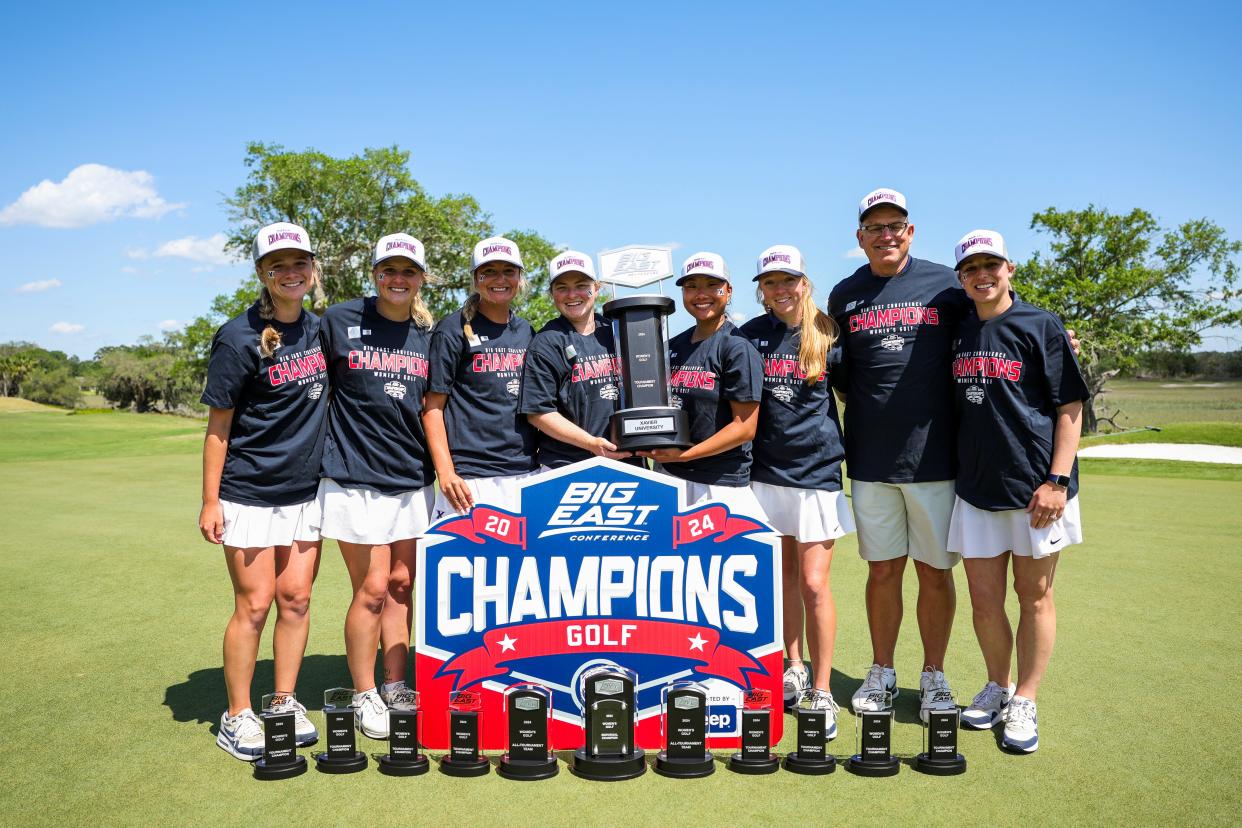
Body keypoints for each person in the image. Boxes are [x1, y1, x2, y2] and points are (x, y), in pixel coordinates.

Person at [827, 189, 966, 722]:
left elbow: (991, 328)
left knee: (934, 572)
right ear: (859, 238)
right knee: (882, 571)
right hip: (869, 459)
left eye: (895, 226)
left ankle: (934, 675)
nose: (886, 235)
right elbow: (837, 371)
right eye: (874, 227)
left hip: (935, 458)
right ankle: (882, 671)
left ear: (911, 232)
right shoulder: (846, 293)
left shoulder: (946, 285)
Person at [946, 230, 1087, 753]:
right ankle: (998, 685)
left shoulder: (1040, 324)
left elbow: (1070, 408)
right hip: (978, 488)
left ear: (1009, 268)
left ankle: (1026, 698)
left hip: (1037, 490)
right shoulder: (957, 331)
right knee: (985, 601)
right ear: (961, 278)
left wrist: (1057, 481)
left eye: (991, 266)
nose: (982, 276)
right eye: (971, 269)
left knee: (1034, 597)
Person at [199, 221, 328, 760]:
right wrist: (210, 499)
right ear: (262, 273)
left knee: (295, 600)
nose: (291, 272)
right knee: (254, 605)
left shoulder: (321, 329)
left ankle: (282, 701)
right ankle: (237, 715)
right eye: (279, 265)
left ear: (312, 269)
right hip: (249, 491)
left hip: (307, 493)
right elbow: (219, 423)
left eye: (300, 263)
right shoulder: (237, 335)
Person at [317, 233, 435, 738]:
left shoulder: (429, 333)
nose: (398, 279)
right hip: (353, 476)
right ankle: (364, 692)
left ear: (421, 278)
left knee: (402, 586)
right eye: (389, 270)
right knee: (371, 588)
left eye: (408, 271)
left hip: (410, 477)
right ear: (375, 274)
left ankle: (394, 683)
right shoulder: (339, 321)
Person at [740, 245, 854, 737]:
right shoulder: (749, 336)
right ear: (761, 290)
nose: (780, 289)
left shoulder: (828, 333)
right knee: (782, 578)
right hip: (765, 474)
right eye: (770, 282)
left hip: (815, 475)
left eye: (789, 280)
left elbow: (858, 393)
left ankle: (823, 690)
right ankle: (793, 665)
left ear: (804, 283)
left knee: (813, 583)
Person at [640, 252, 763, 514]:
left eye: (711, 285)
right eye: (691, 286)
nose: (701, 294)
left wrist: (685, 455)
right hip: (670, 476)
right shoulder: (672, 347)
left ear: (728, 291)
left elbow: (744, 428)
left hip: (719, 483)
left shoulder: (737, 348)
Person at [424, 236, 536, 518]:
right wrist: (446, 472)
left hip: (527, 473)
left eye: (508, 271)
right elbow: (432, 408)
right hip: (471, 478)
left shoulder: (527, 331)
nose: (500, 279)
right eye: (489, 271)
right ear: (476, 278)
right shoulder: (453, 329)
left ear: (519, 278)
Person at [519, 250, 630, 467]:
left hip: (627, 461)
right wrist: (591, 443)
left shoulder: (619, 331)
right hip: (567, 466)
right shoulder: (546, 342)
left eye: (581, 285)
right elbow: (538, 412)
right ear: (552, 294)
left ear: (596, 289)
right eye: (562, 288)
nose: (572, 295)